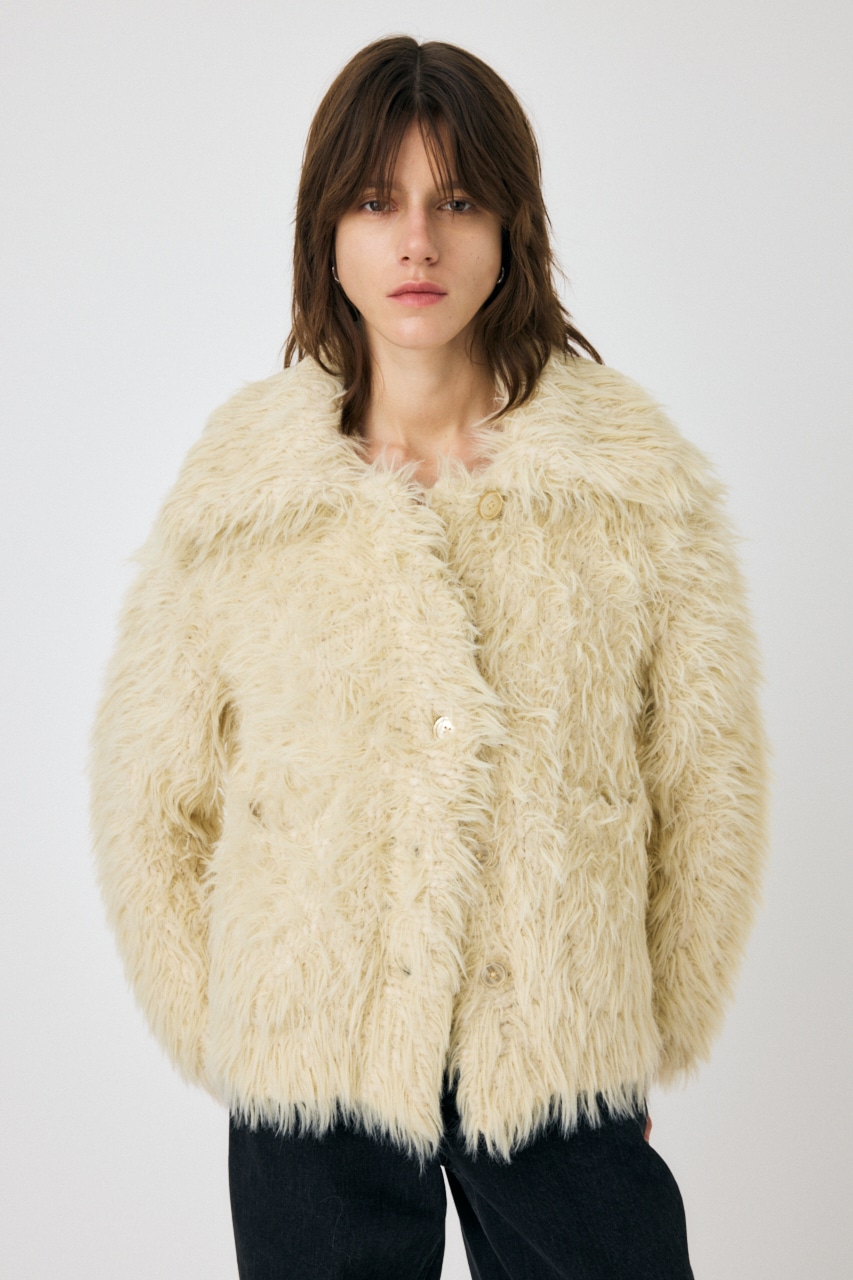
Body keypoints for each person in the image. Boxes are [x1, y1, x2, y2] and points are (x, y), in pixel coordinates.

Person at [89, 35, 769, 1280]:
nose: (416, 241)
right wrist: (246, 1030)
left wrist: (631, 1030)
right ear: (326, 233)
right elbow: (152, 791)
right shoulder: (244, 493)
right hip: (316, 1066)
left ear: (510, 227)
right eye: (375, 201)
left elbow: (706, 773)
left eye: (455, 201)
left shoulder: (630, 486)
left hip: (554, 1052)